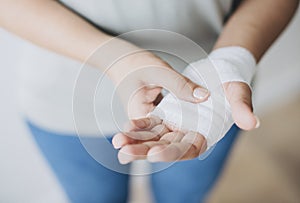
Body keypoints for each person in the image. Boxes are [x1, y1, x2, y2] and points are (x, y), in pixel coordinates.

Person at [0, 0, 298, 202]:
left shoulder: (212, 103)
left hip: (211, 102)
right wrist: (114, 58)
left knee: (183, 197)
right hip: (64, 99)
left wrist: (232, 60)